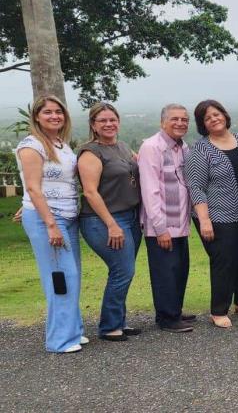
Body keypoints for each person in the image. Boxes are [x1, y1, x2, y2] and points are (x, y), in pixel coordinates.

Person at [16, 96, 85, 353]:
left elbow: (54, 183)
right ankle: (60, 340)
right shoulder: (32, 145)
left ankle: (73, 330)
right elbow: (33, 186)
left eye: (59, 112)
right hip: (50, 220)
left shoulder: (61, 144)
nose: (54, 116)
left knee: (72, 275)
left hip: (68, 216)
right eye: (48, 112)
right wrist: (49, 223)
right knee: (61, 277)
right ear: (36, 116)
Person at [187, 100, 238, 329]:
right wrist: (205, 220)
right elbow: (196, 187)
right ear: (202, 124)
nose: (214, 119)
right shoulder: (201, 149)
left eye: (216, 114)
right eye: (207, 118)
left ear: (225, 115)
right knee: (224, 261)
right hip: (217, 217)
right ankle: (218, 310)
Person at [77, 102, 142, 341]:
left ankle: (119, 322)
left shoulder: (123, 147)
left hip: (131, 217)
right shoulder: (90, 153)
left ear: (119, 121)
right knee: (122, 270)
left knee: (123, 271)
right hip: (102, 220)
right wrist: (111, 225)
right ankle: (109, 326)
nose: (108, 124)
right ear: (93, 125)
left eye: (112, 119)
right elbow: (90, 192)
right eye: (102, 120)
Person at [139, 104, 195, 333]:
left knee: (180, 269)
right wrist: (160, 228)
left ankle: (175, 309)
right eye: (175, 119)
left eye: (184, 119)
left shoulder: (183, 147)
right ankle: (167, 317)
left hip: (180, 222)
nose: (180, 123)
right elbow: (150, 190)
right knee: (164, 272)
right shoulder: (152, 147)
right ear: (163, 122)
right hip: (161, 225)